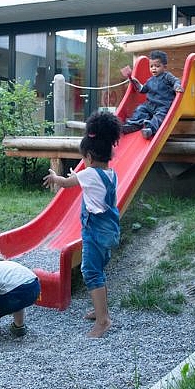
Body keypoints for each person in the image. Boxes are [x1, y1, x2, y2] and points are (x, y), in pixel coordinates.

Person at [42, 111, 121, 338]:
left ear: (87, 156)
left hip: (94, 230)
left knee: (90, 271)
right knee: (98, 270)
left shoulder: (88, 174)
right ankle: (100, 311)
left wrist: (55, 178)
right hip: (110, 229)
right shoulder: (110, 173)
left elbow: (67, 183)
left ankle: (104, 320)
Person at [121, 50, 184, 139]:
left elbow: (176, 81)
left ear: (164, 67)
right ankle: (133, 124)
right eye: (151, 66)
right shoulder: (150, 80)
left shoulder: (167, 76)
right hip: (150, 105)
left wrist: (177, 86)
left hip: (163, 106)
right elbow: (142, 89)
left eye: (157, 66)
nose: (154, 68)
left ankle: (150, 129)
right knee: (140, 109)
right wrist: (134, 81)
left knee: (160, 117)